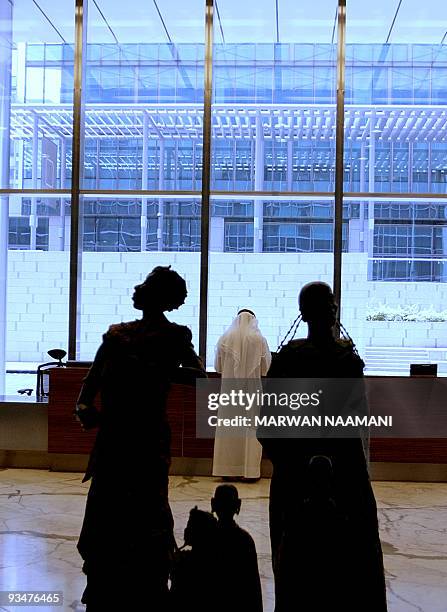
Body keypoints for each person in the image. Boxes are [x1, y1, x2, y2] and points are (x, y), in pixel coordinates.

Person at [75, 266, 205, 611]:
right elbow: (91, 381)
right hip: (114, 435)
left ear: (159, 296)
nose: (138, 288)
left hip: (147, 437)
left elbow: (197, 375)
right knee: (107, 506)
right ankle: (105, 576)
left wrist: (158, 369)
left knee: (148, 505)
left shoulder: (175, 336)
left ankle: (146, 575)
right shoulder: (116, 335)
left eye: (147, 285)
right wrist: (84, 404)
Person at [258, 282, 388, 612]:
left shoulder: (291, 359)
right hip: (344, 469)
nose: (331, 311)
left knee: (296, 554)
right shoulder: (346, 359)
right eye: (328, 305)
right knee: (352, 554)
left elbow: (268, 421)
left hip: (296, 468)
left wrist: (287, 459)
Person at [212, 309, 271, 480]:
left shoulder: (224, 339)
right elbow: (265, 368)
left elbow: (218, 367)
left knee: (228, 430)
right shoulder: (259, 339)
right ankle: (250, 472)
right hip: (252, 393)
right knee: (250, 430)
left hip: (229, 393)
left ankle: (226, 470)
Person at [211, 484, 263, 612]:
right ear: (238, 505)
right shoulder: (245, 540)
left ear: (213, 504)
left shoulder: (207, 538)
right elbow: (253, 588)